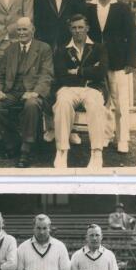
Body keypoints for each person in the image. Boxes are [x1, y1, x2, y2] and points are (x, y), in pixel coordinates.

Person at [33, 0, 87, 146]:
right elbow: (38, 26)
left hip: (68, 50)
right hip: (47, 49)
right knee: (48, 87)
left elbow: (80, 24)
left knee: (68, 88)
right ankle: (50, 128)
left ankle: (70, 129)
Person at [0, 17, 54, 168]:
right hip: (12, 91)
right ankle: (12, 142)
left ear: (33, 30)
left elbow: (47, 75)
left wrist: (35, 92)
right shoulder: (10, 49)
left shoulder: (44, 48)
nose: (21, 32)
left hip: (32, 92)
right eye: (19, 29)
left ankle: (26, 148)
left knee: (31, 104)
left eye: (25, 29)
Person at [87, 0, 136, 153]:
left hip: (118, 62)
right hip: (97, 63)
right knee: (102, 102)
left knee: (121, 103)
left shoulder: (122, 8)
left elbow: (132, 35)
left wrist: (131, 61)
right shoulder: (89, 7)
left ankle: (122, 139)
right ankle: (105, 136)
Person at [52, 14, 108, 169]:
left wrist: (77, 71)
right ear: (70, 29)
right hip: (68, 89)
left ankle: (97, 152)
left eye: (81, 27)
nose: (77, 31)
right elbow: (62, 76)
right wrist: (90, 71)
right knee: (62, 102)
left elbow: (101, 72)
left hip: (92, 89)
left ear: (87, 28)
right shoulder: (63, 50)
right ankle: (62, 150)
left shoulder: (98, 48)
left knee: (95, 103)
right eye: (74, 28)